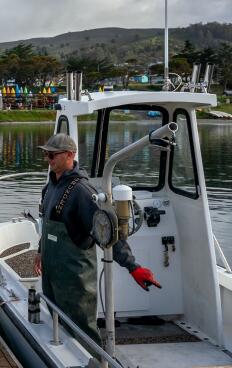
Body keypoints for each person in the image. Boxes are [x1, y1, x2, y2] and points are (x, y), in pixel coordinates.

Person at [33, 133, 161, 345]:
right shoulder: (50, 187)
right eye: (46, 155)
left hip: (75, 277)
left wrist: (133, 267)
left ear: (70, 155)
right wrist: (40, 251)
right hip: (52, 273)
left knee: (81, 326)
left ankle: (96, 359)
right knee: (57, 316)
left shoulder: (82, 191)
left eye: (52, 155)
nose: (48, 159)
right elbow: (47, 222)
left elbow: (108, 231)